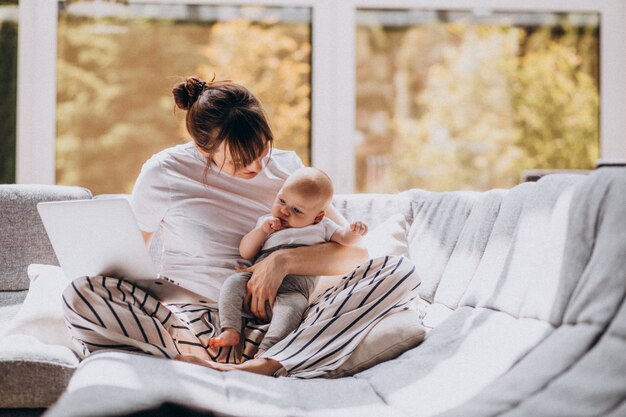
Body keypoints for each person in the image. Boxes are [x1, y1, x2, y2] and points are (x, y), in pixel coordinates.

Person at [62, 75, 420, 378]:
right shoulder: (165, 171)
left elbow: (355, 255)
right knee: (79, 294)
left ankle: (264, 363)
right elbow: (129, 262)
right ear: (204, 149)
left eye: (262, 148)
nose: (256, 164)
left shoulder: (288, 170)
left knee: (398, 271)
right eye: (239, 159)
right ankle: (201, 358)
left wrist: (283, 262)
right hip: (193, 321)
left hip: (279, 322)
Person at [210, 166, 369, 356]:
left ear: (318, 216)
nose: (284, 211)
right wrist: (261, 231)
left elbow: (345, 240)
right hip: (255, 283)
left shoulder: (323, 226)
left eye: (296, 210)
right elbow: (246, 251)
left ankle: (268, 349)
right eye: (282, 200)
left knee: (293, 308)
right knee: (232, 283)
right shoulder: (267, 223)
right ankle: (231, 330)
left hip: (293, 290)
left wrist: (353, 232)